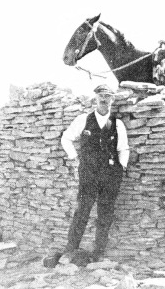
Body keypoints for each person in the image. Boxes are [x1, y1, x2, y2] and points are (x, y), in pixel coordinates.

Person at [43, 84, 129, 267]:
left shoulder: (117, 124)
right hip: (88, 174)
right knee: (82, 211)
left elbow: (124, 148)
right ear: (95, 98)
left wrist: (121, 167)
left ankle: (98, 253)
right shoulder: (83, 120)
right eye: (101, 96)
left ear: (112, 99)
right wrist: (74, 157)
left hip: (110, 175)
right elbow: (66, 138)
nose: (104, 99)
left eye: (108, 96)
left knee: (105, 213)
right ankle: (70, 249)